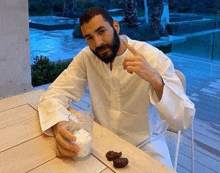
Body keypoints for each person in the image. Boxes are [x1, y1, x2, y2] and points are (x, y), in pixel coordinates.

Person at [38, 6, 195, 169]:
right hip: (101, 141)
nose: (97, 43)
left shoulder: (152, 57)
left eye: (101, 31)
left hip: (146, 144)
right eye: (89, 37)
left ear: (116, 26)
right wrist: (58, 125)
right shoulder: (87, 57)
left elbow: (184, 119)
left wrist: (156, 79)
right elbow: (54, 94)